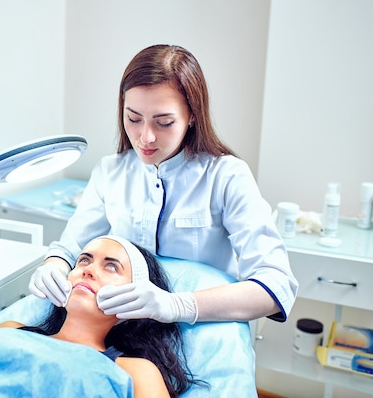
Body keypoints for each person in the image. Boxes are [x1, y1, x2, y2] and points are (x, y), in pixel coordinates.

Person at [29, 44, 298, 325]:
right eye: (133, 118)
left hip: (197, 331)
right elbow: (71, 246)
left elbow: (276, 285)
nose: (145, 137)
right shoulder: (110, 171)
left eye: (164, 123)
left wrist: (178, 305)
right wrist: (54, 264)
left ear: (192, 116)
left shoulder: (226, 176)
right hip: (122, 329)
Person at [0, 235, 202, 398]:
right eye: (84, 260)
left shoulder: (137, 373)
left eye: (111, 266)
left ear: (136, 300)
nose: (89, 270)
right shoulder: (9, 331)